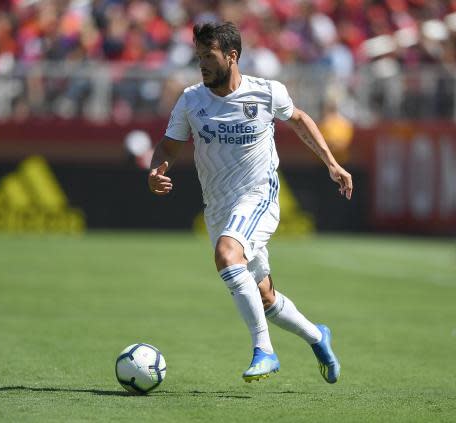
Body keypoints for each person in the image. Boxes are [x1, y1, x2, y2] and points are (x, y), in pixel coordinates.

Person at [147, 22, 353, 384]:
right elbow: (169, 145)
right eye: (199, 58)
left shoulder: (267, 93)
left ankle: (265, 351)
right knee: (264, 297)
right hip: (218, 205)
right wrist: (156, 169)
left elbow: (301, 120)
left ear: (232, 56)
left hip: (258, 195)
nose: (202, 65)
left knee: (227, 255)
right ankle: (318, 337)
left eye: (209, 57)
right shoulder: (192, 100)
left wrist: (332, 164)